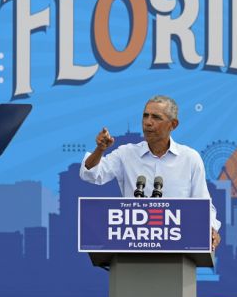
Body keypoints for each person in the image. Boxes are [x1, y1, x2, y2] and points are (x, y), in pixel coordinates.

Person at [80, 95, 221, 250]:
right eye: (145, 116)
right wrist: (100, 150)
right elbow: (91, 174)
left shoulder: (190, 158)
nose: (148, 122)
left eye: (156, 117)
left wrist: (211, 229)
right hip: (134, 246)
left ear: (173, 124)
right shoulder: (126, 153)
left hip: (178, 248)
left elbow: (203, 204)